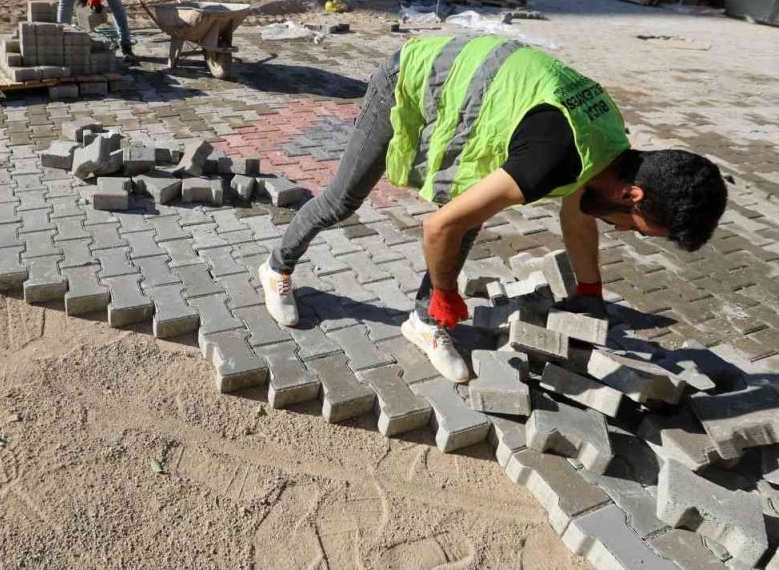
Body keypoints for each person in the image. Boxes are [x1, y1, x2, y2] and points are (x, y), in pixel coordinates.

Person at [258, 35, 727, 383]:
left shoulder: (610, 146)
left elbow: (579, 212)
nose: (626, 232)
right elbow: (438, 228)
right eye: (638, 229)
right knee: (344, 201)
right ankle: (277, 267)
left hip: (475, 97)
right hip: (412, 75)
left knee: (470, 219)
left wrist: (588, 291)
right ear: (632, 195)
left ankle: (423, 322)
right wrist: (447, 290)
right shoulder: (554, 157)